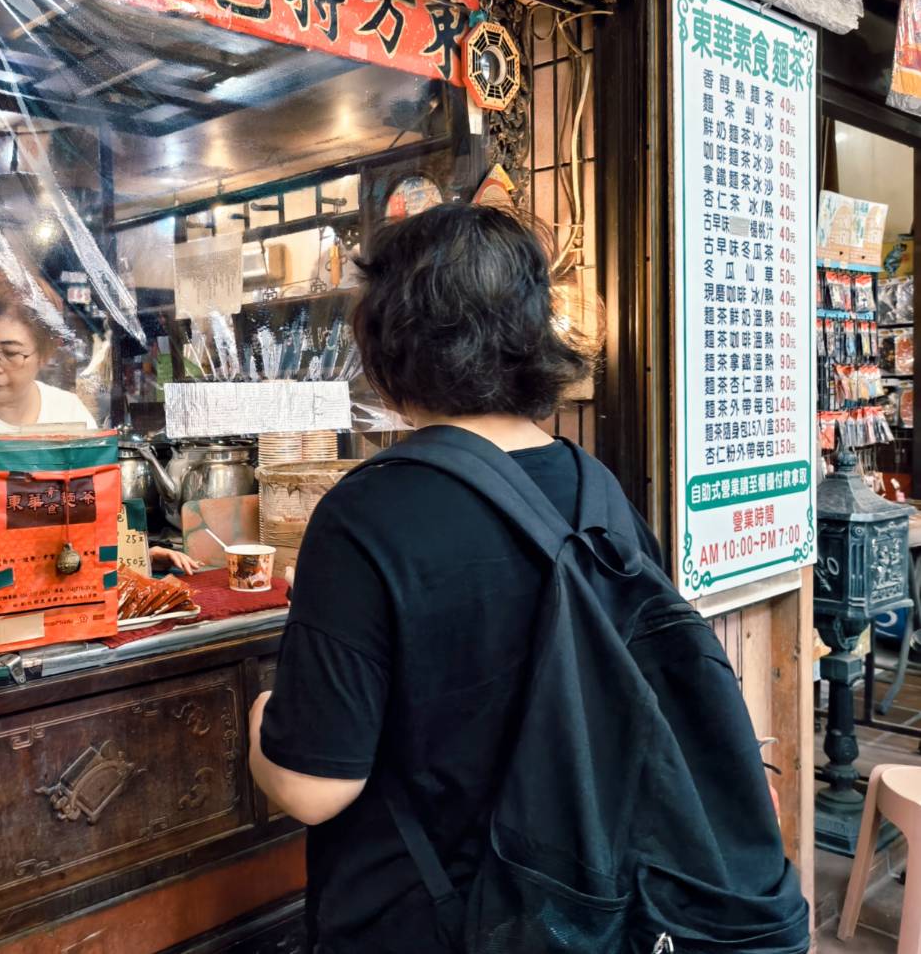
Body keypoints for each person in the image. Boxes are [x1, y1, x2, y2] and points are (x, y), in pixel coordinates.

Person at [246, 203, 661, 951]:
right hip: (583, 910)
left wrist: (260, 719)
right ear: (535, 336)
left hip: (422, 921)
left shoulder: (365, 514)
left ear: (388, 345)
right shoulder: (598, 490)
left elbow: (312, 786)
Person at [0, 271, 197, 571]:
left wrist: (132, 555)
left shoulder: (69, 414)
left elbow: (93, 516)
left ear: (44, 354)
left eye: (11, 353)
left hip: (56, 600)